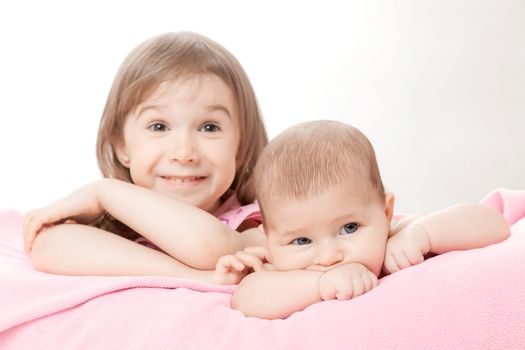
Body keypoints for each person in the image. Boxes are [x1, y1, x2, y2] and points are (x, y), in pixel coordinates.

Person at [22, 32, 268, 284]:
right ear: (121, 146)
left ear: (240, 147)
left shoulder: (259, 224)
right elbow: (48, 248)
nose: (184, 153)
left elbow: (212, 249)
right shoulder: (122, 222)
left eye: (209, 127)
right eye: (159, 127)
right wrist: (190, 276)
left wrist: (103, 192)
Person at [214, 120, 510, 319]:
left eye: (349, 228)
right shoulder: (282, 273)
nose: (330, 256)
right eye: (302, 240)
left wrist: (421, 235)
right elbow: (246, 299)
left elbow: (493, 224)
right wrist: (321, 284)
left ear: (385, 212)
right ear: (269, 238)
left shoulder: (396, 238)